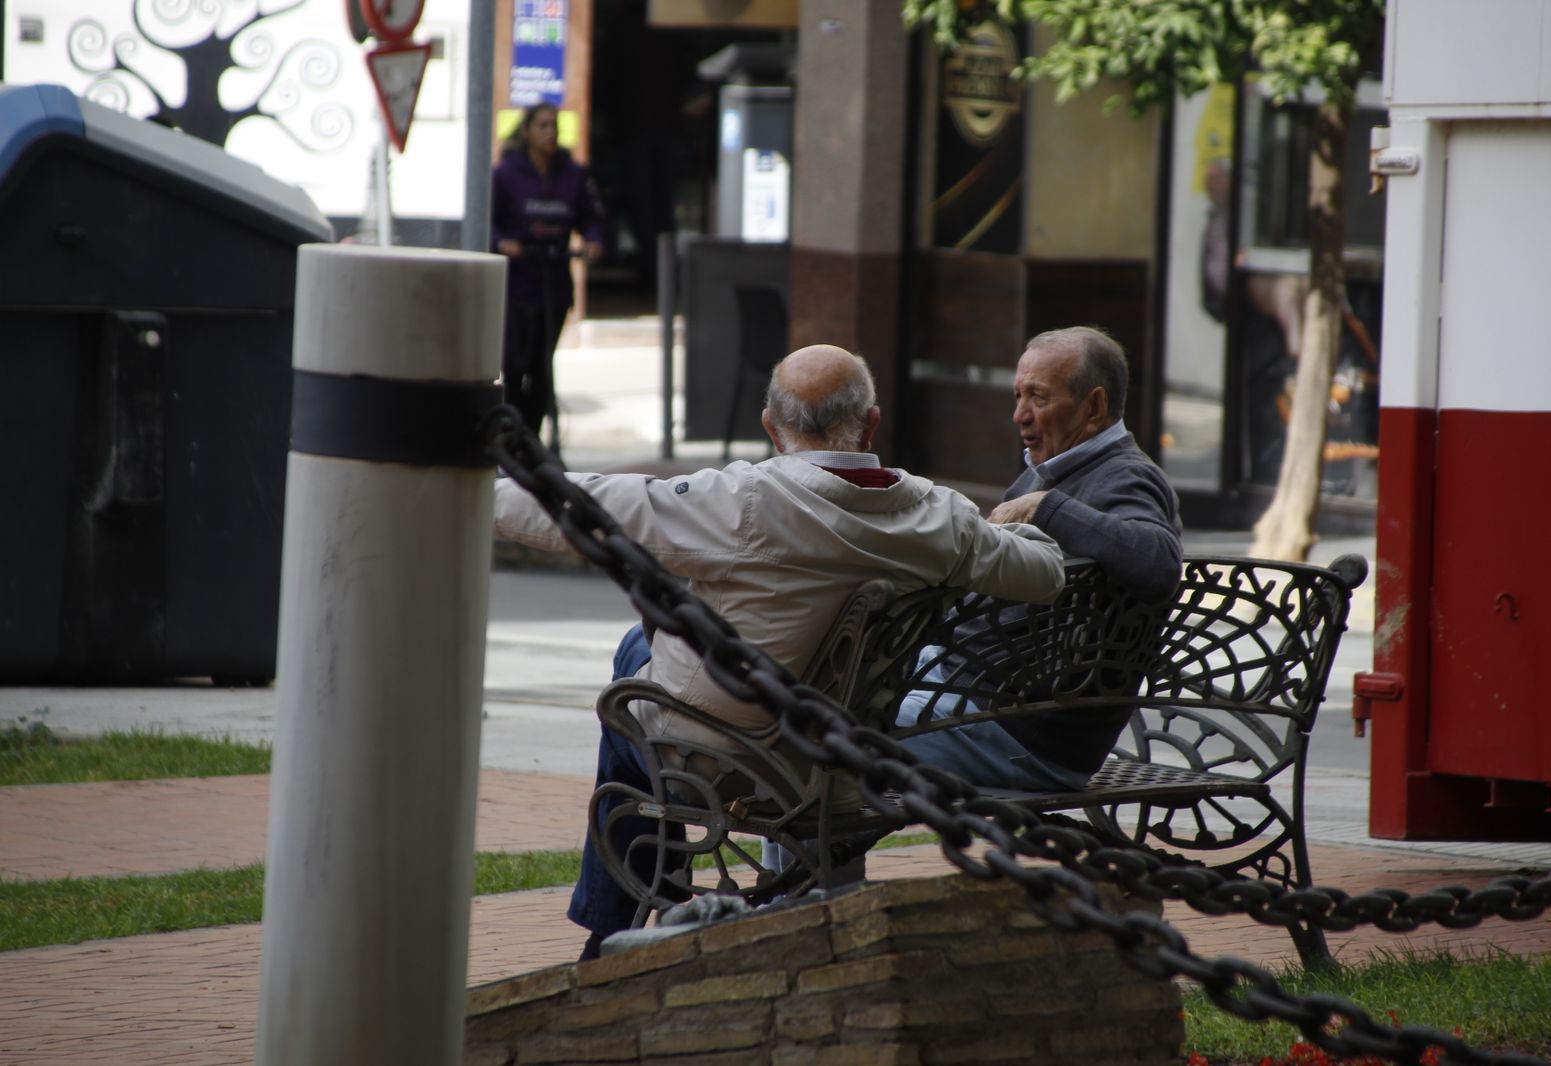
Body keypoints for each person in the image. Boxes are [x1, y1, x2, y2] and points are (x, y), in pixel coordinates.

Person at [493, 344, 1068, 957]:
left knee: (630, 677)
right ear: (872, 423)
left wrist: (472, 488)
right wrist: (1021, 519)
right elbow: (1045, 571)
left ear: (770, 426)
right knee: (642, 647)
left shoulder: (744, 501)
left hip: (722, 764)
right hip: (843, 763)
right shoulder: (939, 517)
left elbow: (585, 508)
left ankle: (613, 929)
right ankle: (647, 898)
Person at [897, 325, 1183, 792]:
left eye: (1038, 398)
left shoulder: (1125, 477)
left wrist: (1045, 506)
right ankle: (814, 867)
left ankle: (808, 868)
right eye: (1017, 396)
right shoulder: (1054, 469)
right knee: (809, 699)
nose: (1019, 416)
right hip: (971, 692)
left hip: (1019, 731)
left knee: (819, 735)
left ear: (1094, 407)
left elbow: (1158, 561)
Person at [490, 103, 605, 454]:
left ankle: (532, 444)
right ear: (527, 132)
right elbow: (488, 221)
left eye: (553, 126)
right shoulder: (506, 174)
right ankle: (510, 438)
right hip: (517, 286)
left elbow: (592, 217)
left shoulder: (573, 174)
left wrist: (592, 240)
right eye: (542, 126)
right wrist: (502, 243)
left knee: (542, 369)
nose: (549, 132)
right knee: (514, 365)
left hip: (553, 284)